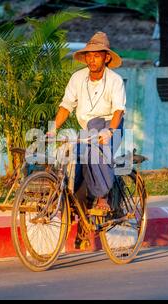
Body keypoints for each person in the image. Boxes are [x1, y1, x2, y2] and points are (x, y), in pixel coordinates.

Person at [47, 31, 126, 216]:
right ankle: (79, 210)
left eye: (97, 56)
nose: (92, 60)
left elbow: (118, 111)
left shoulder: (115, 80)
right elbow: (66, 106)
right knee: (72, 159)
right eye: (89, 55)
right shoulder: (77, 78)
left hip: (111, 126)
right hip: (87, 129)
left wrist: (109, 132)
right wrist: (53, 129)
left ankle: (103, 196)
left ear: (106, 58)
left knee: (95, 153)